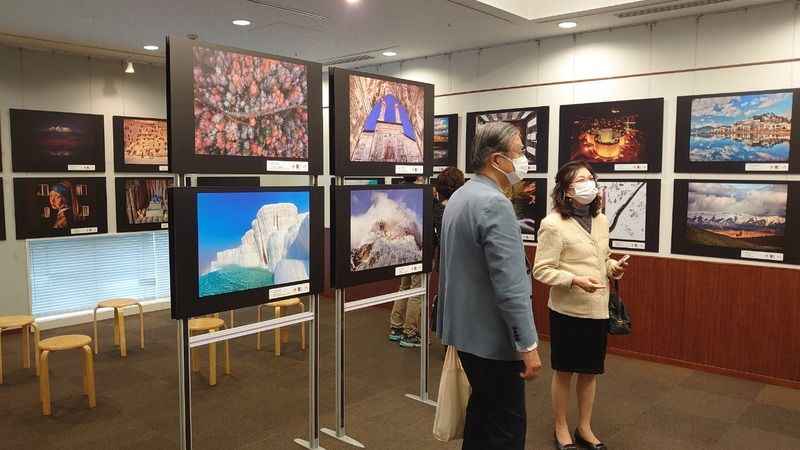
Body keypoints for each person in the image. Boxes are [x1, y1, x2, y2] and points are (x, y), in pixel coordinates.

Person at [437, 122, 542, 450]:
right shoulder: (495, 204)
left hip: (465, 336)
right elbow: (510, 284)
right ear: (497, 160)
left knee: (481, 420)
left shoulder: (461, 196)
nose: (524, 158)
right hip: (494, 342)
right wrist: (528, 345)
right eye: (520, 151)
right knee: (505, 430)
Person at [532, 160, 628, 450]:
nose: (589, 184)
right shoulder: (552, 224)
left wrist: (612, 267)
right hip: (568, 311)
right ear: (566, 190)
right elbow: (542, 270)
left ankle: (584, 427)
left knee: (590, 372)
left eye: (591, 178)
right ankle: (560, 428)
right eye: (580, 180)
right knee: (565, 371)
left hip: (597, 309)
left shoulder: (600, 220)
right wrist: (574, 279)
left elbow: (601, 256)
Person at [389, 176, 425, 348]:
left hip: (402, 250)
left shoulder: (398, 193)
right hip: (416, 250)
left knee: (404, 287)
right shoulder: (421, 193)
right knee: (416, 291)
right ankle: (409, 333)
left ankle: (396, 327)